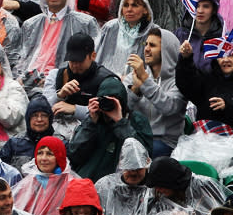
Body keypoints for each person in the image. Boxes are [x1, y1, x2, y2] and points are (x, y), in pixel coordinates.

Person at [68, 76, 153, 182]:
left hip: (121, 184)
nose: (109, 105)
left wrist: (120, 122)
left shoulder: (136, 120)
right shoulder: (93, 120)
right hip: (87, 183)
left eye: (114, 101)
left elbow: (143, 157)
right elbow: (74, 155)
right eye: (105, 100)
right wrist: (91, 123)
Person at [18, 0, 100, 79]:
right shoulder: (30, 24)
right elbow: (21, 60)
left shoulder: (85, 23)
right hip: (29, 81)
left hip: (67, 82)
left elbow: (95, 59)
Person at [42, 33, 119, 137]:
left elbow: (108, 114)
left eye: (80, 61)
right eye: (72, 60)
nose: (75, 65)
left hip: (90, 137)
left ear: (93, 56)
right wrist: (60, 95)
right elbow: (42, 110)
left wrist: (75, 109)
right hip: (55, 133)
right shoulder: (56, 75)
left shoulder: (106, 80)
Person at [125, 28, 186, 157]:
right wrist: (135, 90)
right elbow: (123, 107)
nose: (146, 49)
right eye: (145, 44)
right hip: (137, 137)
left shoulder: (180, 79)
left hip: (165, 142)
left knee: (138, 155)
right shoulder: (136, 74)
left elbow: (169, 107)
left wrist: (145, 81)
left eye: (152, 45)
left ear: (166, 50)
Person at [144, 156, 230, 215]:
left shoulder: (202, 186)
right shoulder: (159, 195)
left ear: (172, 183)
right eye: (156, 187)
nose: (158, 190)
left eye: (161, 186)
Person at [13, 136, 76, 215]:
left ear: (59, 156)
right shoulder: (27, 183)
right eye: (40, 153)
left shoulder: (72, 184)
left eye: (50, 154)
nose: (43, 158)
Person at [95, 137, 151, 215]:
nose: (134, 173)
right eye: (130, 169)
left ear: (147, 164)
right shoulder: (104, 186)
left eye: (138, 169)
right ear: (121, 165)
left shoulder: (155, 189)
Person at [96, 0, 156, 77]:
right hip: (107, 80)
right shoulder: (110, 27)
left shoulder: (153, 32)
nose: (129, 9)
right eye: (126, 5)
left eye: (134, 5)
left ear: (145, 10)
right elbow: (97, 55)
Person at [176, 40, 233, 127]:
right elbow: (186, 85)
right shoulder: (208, 79)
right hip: (205, 137)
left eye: (230, 55)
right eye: (221, 56)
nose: (225, 60)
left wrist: (227, 107)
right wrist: (186, 59)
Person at [0, 95, 56, 172]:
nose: (39, 119)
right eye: (35, 116)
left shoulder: (60, 142)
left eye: (44, 115)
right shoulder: (15, 143)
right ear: (28, 119)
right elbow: (1, 170)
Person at [174, 0, 224, 73]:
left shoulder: (223, 38)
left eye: (206, 6)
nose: (200, 11)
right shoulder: (179, 35)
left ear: (213, 10)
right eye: (196, 6)